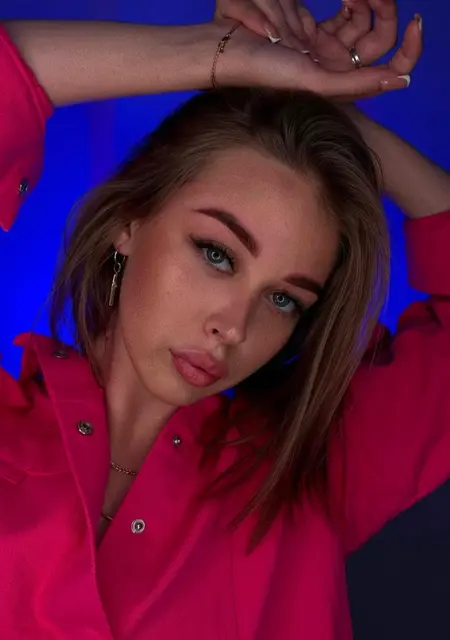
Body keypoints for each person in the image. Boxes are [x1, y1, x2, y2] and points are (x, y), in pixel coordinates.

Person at [1, 2, 449, 639]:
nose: (234, 327)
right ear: (131, 222)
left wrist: (327, 105)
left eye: (284, 299)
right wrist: (219, 57)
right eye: (217, 254)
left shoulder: (305, 476)